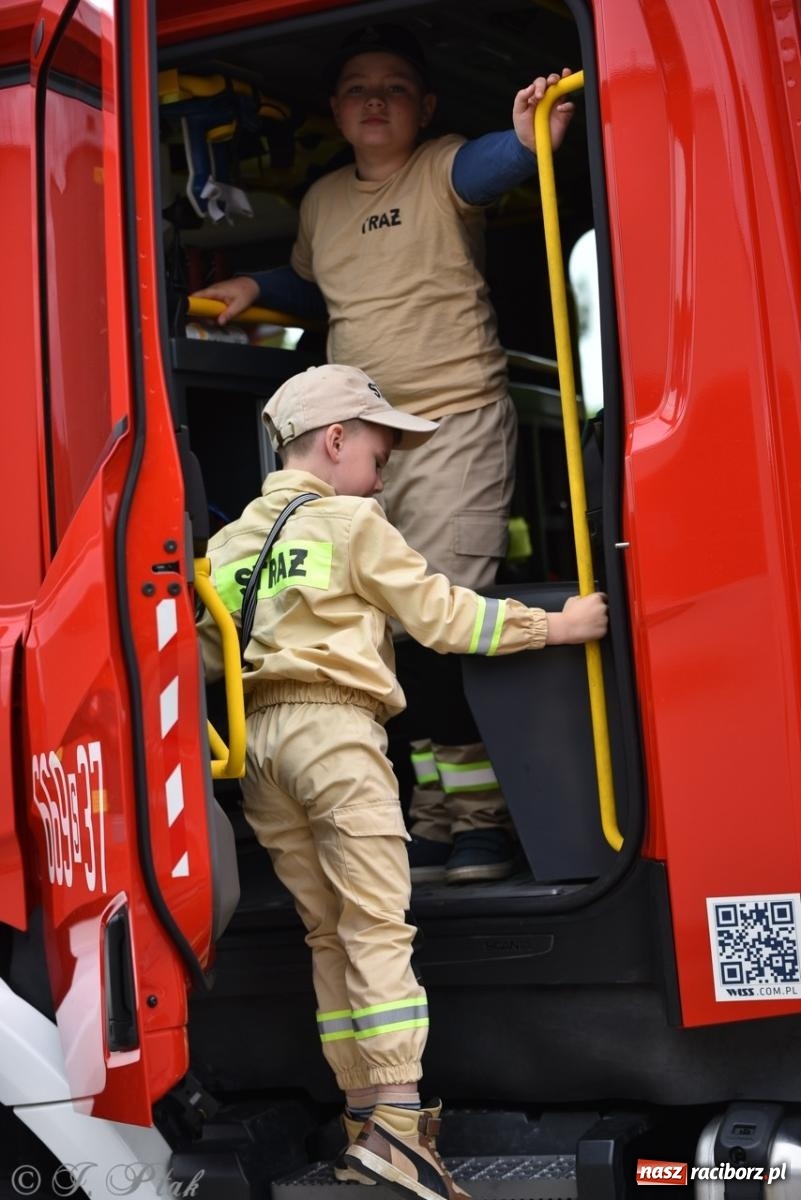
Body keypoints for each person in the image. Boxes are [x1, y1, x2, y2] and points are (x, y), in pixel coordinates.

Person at [196, 364, 608, 1200]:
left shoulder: (231, 543)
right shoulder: (353, 522)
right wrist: (556, 624)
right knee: (377, 925)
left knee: (325, 933)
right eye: (380, 451)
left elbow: (203, 652)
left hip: (261, 749)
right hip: (336, 735)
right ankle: (397, 1129)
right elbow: (444, 618)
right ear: (336, 441)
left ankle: (361, 1113)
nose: (386, 471)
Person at [192, 24, 578, 885]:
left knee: (437, 616)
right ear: (335, 111)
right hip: (358, 438)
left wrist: (525, 139)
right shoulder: (325, 200)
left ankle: (478, 821)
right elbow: (312, 281)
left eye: (395, 87)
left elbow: (491, 164)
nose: (375, 100)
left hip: (451, 423)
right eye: (358, 88)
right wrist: (258, 287)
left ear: (425, 107)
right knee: (370, 620)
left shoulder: (441, 167)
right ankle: (433, 817)